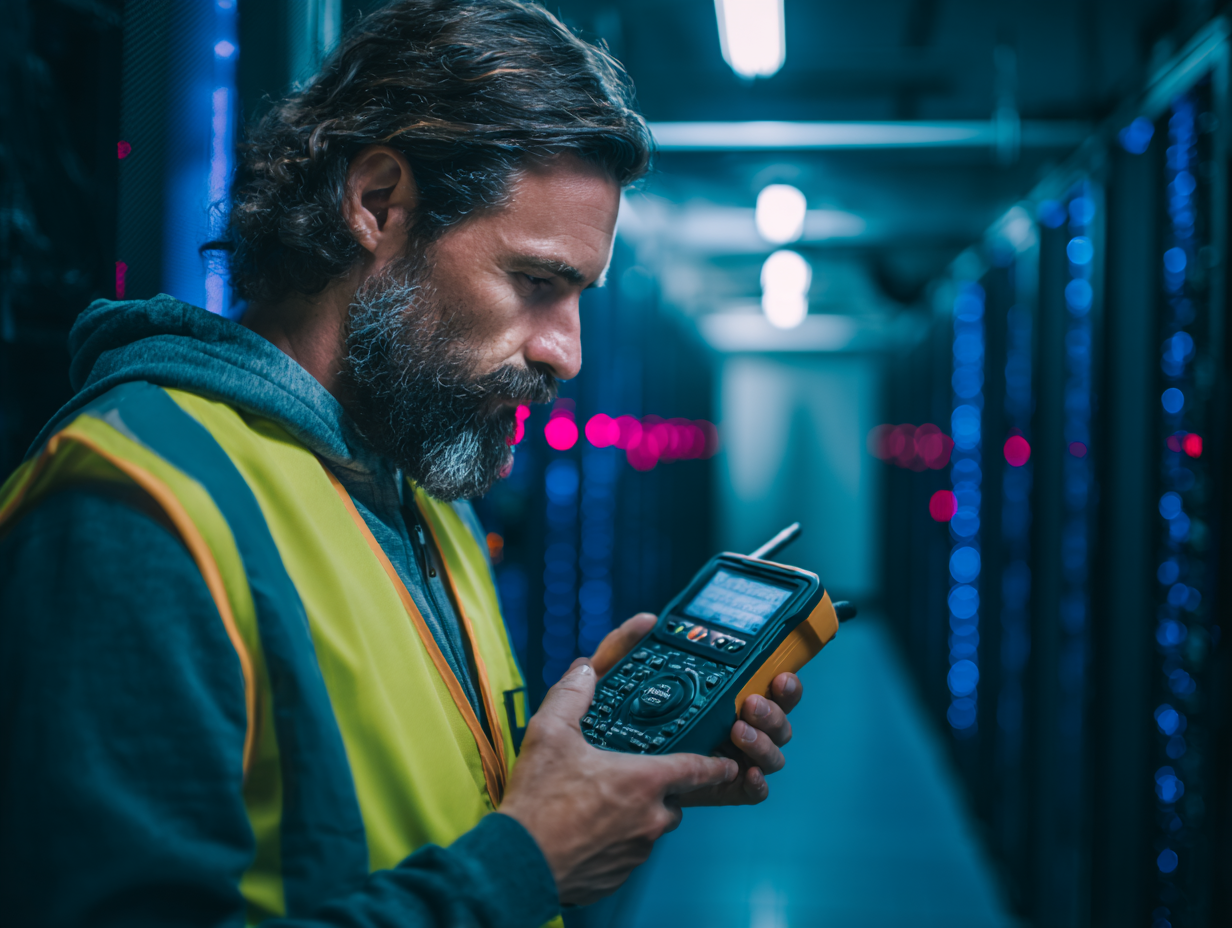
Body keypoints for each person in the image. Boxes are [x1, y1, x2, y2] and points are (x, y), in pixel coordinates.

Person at [0, 2, 804, 925]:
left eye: (580, 295)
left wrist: (572, 771)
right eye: (537, 283)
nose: (567, 354)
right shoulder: (132, 513)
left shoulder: (426, 495)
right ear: (377, 204)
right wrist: (526, 864)